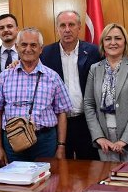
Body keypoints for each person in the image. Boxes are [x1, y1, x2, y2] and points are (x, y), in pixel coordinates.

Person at [0, 28, 72, 165]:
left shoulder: (53, 77)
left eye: (33, 45)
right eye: (24, 44)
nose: (28, 49)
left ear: (41, 49)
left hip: (45, 142)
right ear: (16, 47)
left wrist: (61, 146)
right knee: (17, 183)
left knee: (47, 183)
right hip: (13, 141)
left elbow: (62, 113)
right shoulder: (5, 76)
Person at [84, 23, 128, 163]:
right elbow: (88, 104)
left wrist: (124, 140)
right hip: (104, 139)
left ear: (125, 42)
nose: (113, 42)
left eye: (118, 38)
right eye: (108, 39)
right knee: (109, 182)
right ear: (103, 43)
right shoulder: (95, 69)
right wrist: (99, 137)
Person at [41, 10, 100, 160]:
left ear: (79, 27)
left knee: (89, 167)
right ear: (57, 29)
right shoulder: (45, 53)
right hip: (58, 123)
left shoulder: (93, 51)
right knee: (62, 170)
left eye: (71, 25)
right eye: (62, 25)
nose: (67, 29)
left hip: (86, 121)